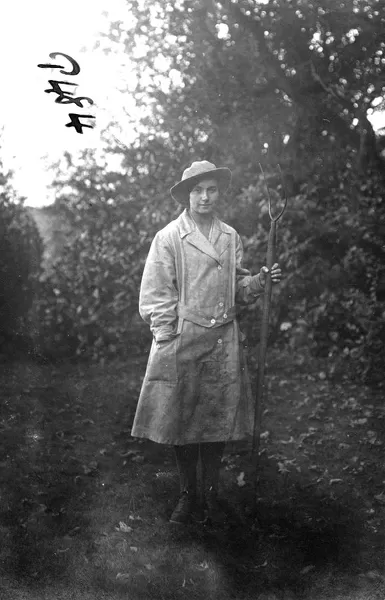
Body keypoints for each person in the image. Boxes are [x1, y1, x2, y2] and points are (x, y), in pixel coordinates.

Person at [131, 160, 281, 525]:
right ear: (186, 195)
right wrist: (168, 335)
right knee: (182, 419)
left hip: (223, 339)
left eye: (211, 189)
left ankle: (211, 492)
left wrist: (258, 282)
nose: (204, 196)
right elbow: (155, 293)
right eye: (197, 190)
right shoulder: (169, 237)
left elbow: (236, 288)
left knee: (217, 418)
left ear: (219, 193)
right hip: (184, 337)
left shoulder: (230, 237)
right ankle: (187, 494)